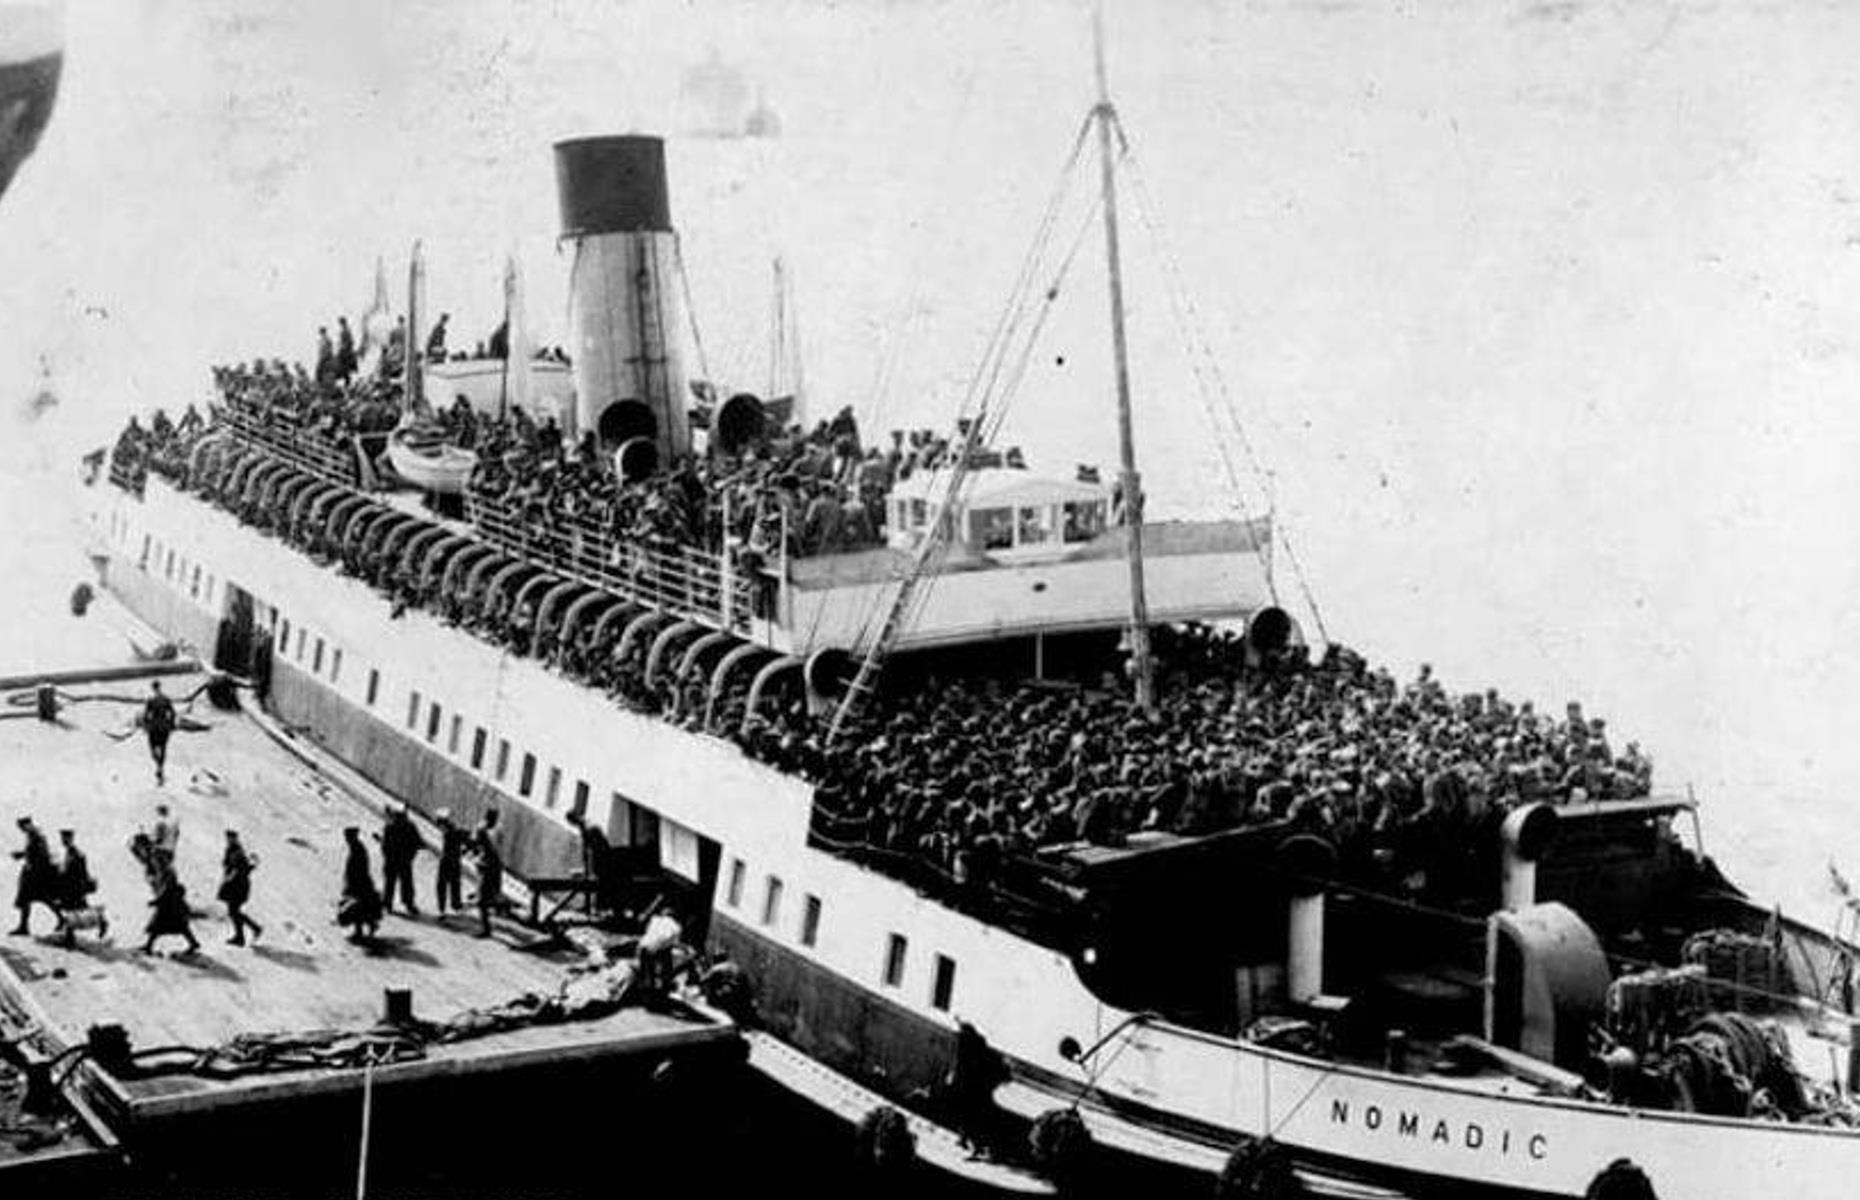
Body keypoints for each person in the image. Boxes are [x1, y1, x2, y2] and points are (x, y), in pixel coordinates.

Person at [947, 1019, 1009, 1158]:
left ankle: (975, 1147)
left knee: (970, 1118)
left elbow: (962, 1069)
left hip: (971, 1090)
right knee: (970, 1117)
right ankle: (967, 1141)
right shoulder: (979, 1048)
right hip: (977, 1090)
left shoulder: (967, 1048)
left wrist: (955, 1080)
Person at [54, 829, 105, 947]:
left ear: (71, 839)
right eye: (62, 838)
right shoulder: (69, 852)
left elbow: (82, 873)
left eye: (66, 838)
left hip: (75, 889)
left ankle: (102, 922)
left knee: (76, 911)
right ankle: (69, 937)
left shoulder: (78, 855)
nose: (63, 841)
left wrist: (81, 889)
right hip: (69, 888)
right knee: (70, 911)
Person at [10, 818, 58, 937]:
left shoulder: (37, 836)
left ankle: (62, 918)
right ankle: (23, 926)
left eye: (22, 827)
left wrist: (28, 862)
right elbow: (31, 851)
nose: (22, 830)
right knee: (28, 900)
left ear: (28, 824)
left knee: (42, 898)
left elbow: (41, 854)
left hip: (35, 875)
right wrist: (22, 855)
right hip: (33, 873)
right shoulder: (33, 835)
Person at [338, 826, 383, 943]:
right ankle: (366, 927)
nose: (346, 839)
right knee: (361, 908)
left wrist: (353, 883)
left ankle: (363, 929)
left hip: (360, 884)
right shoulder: (356, 847)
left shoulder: (358, 849)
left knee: (359, 908)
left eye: (347, 837)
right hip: (358, 883)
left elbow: (359, 869)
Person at [378, 804, 424, 916]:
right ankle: (408, 904)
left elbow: (384, 846)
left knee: (390, 884)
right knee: (406, 883)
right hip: (404, 861)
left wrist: (388, 857)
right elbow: (418, 843)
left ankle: (388, 904)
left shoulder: (389, 827)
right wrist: (411, 856)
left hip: (392, 861)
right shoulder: (410, 826)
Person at [218, 830, 262, 946]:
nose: (229, 840)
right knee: (234, 911)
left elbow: (238, 869)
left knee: (233, 911)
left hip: (237, 886)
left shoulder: (237, 851)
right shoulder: (232, 850)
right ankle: (243, 935)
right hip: (236, 885)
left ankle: (249, 931)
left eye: (231, 838)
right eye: (228, 838)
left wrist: (229, 878)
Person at [143, 875, 200, 956]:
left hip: (168, 917)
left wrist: (153, 903)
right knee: (184, 930)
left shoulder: (168, 891)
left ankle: (148, 946)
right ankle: (193, 943)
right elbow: (181, 902)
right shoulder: (178, 890)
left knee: (155, 930)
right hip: (177, 917)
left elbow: (162, 901)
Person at [637, 902, 683, 998]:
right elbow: (674, 943)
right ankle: (665, 985)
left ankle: (644, 988)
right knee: (667, 963)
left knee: (646, 969)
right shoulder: (677, 927)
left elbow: (648, 932)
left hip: (644, 945)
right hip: (658, 948)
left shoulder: (655, 919)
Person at [470, 808, 504, 937]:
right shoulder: (485, 830)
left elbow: (476, 845)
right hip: (491, 868)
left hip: (489, 869)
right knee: (488, 897)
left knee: (482, 901)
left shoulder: (484, 831)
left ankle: (486, 929)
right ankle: (488, 924)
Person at [142, 680, 177, 784]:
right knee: (163, 747)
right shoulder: (166, 699)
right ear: (160, 687)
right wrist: (171, 724)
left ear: (153, 688)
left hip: (154, 726)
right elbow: (173, 712)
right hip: (164, 726)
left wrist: (146, 725)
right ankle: (160, 766)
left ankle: (157, 763)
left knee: (152, 746)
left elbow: (146, 714)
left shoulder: (151, 700)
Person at [433, 808, 467, 915]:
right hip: (455, 860)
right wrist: (464, 851)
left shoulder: (448, 832)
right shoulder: (456, 830)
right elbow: (467, 840)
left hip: (446, 860)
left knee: (442, 885)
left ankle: (442, 908)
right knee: (455, 884)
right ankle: (456, 905)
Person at [150, 803, 179, 883]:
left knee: (158, 868)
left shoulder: (161, 822)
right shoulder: (173, 823)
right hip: (171, 849)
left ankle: (158, 883)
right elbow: (176, 835)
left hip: (161, 849)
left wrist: (153, 843)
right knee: (168, 867)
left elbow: (159, 837)